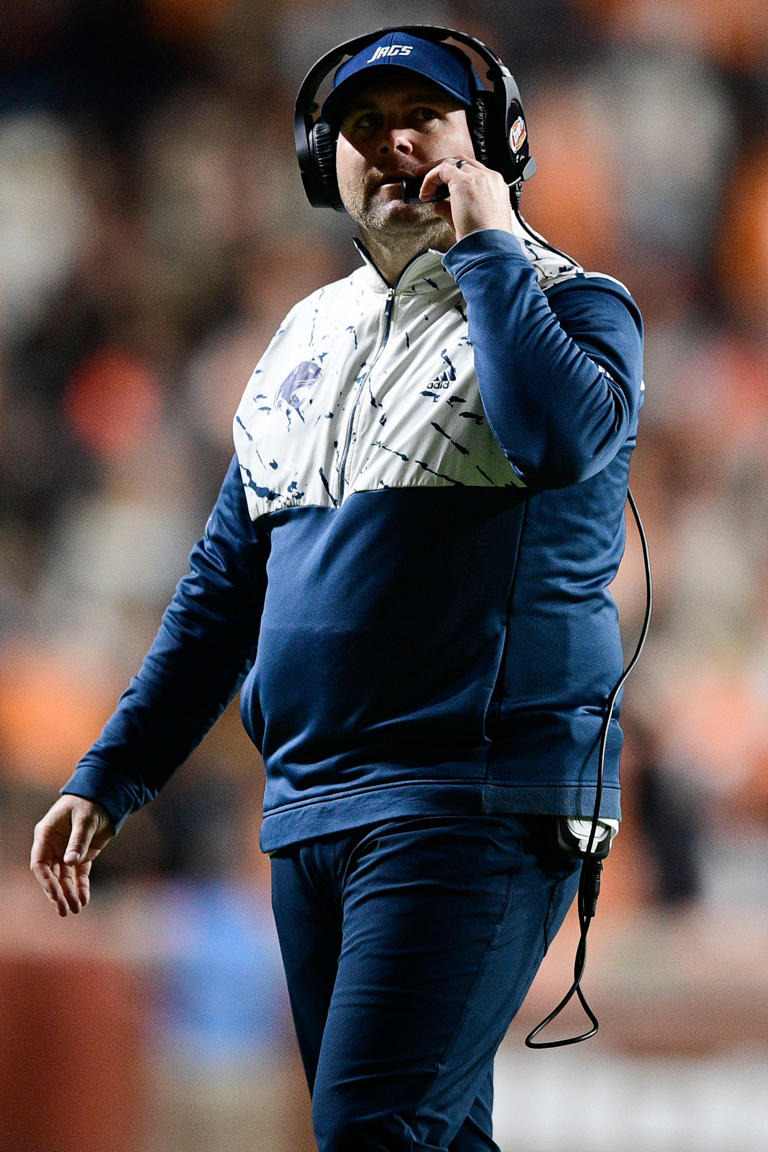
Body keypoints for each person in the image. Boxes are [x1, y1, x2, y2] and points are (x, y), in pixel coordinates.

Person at [31, 25, 644, 1152]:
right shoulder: (305, 333)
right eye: (364, 126)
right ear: (328, 165)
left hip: (472, 797)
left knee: (374, 1128)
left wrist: (492, 244)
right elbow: (225, 588)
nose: (396, 142)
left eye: (428, 120)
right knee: (428, 1135)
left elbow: (559, 438)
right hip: (316, 801)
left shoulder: (575, 305)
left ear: (497, 145)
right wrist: (115, 770)